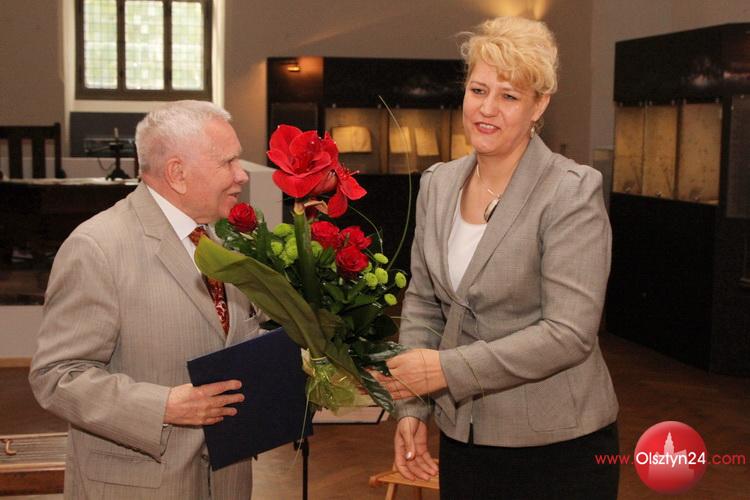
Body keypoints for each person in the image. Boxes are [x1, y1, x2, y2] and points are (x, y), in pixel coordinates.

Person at [372, 17, 619, 499]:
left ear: (538, 105)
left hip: (558, 445)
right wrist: (413, 407)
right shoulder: (438, 184)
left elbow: (569, 332)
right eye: (478, 90)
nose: (487, 109)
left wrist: (445, 371)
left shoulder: (570, 191)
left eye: (508, 96)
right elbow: (423, 304)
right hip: (464, 438)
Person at [29, 100, 262, 499]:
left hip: (225, 482)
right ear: (178, 172)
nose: (241, 174)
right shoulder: (98, 246)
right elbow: (56, 376)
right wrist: (164, 406)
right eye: (228, 162)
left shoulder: (218, 241)